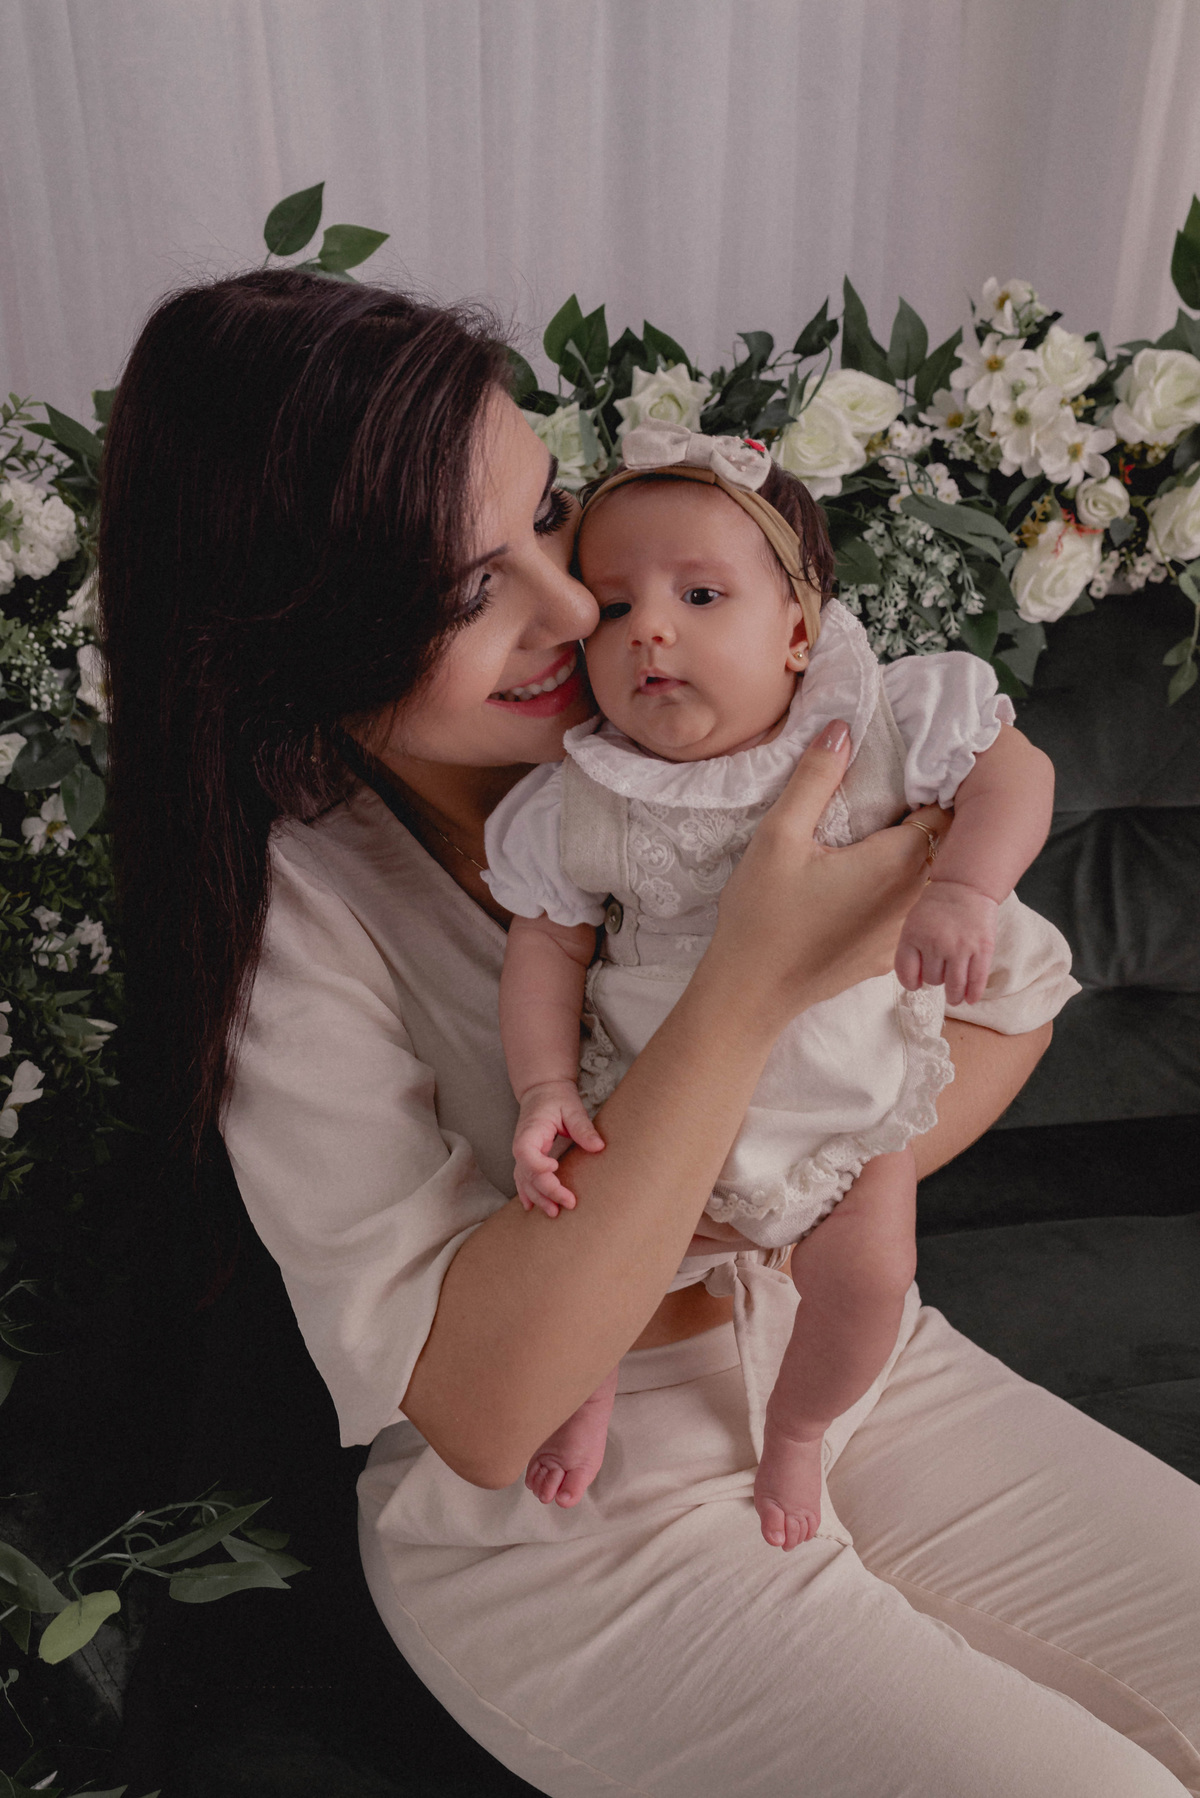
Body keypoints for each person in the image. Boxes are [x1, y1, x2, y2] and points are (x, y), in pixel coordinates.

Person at [99, 268, 1200, 1797]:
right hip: (575, 1511)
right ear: (294, 643)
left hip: (852, 1358)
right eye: (463, 591)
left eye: (547, 515)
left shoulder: (749, 726)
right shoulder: (301, 910)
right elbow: (489, 1409)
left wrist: (763, 1201)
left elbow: (1013, 1001)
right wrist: (748, 990)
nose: (575, 610)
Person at [483, 421, 1075, 1548]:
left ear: (799, 632)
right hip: (656, 1109)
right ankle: (589, 1386)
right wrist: (543, 1085)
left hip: (851, 1104)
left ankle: (798, 1428)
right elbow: (545, 947)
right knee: (602, 1268)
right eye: (613, 607)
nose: (650, 628)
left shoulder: (879, 721)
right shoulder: (583, 796)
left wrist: (965, 889)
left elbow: (1017, 771)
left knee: (871, 1278)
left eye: (701, 596)